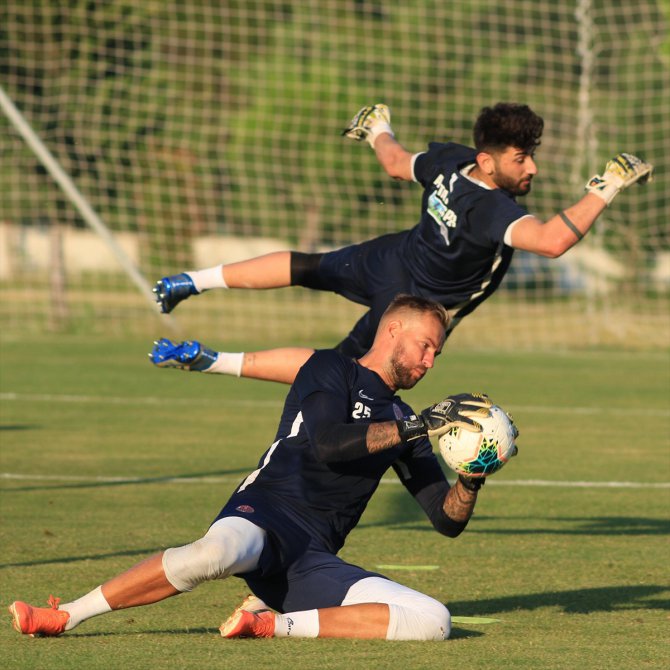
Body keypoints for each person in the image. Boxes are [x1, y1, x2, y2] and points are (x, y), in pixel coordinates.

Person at [9, 296, 511, 641]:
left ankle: (271, 623)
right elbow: (331, 444)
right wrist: (418, 427)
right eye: (424, 344)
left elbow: (446, 520)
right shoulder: (330, 369)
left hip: (311, 558)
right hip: (264, 514)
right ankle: (65, 615)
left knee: (433, 620)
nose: (429, 360)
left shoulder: (406, 420)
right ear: (393, 328)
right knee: (216, 552)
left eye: (437, 353)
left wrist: (471, 474)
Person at [151, 103, 653, 384]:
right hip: (416, 307)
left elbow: (394, 162)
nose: (532, 168)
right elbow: (550, 241)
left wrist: (377, 129)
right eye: (521, 158)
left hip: (392, 257)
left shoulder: (450, 160)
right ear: (487, 161)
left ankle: (190, 281)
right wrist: (607, 185)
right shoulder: (494, 209)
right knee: (343, 375)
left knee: (307, 267)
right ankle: (210, 359)